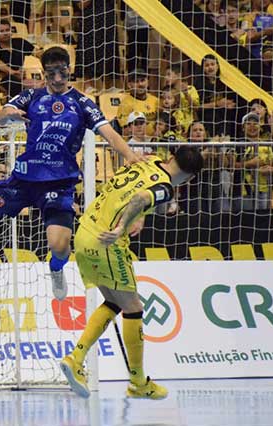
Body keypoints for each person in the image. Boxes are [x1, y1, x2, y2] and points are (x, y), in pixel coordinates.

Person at [0, 46, 144, 300]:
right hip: (24, 179)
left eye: (62, 72)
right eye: (52, 73)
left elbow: (109, 134)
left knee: (60, 246)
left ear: (69, 71)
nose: (57, 79)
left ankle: (56, 269)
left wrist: (131, 156)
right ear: (44, 73)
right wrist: (6, 114)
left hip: (59, 183)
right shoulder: (31, 96)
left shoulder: (82, 103)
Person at [60, 147, 204, 400]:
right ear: (191, 178)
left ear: (171, 157)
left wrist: (138, 217)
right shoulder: (166, 188)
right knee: (133, 307)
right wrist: (122, 226)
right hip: (106, 239)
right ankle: (137, 381)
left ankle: (77, 358)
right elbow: (139, 198)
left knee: (115, 302)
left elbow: (129, 192)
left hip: (84, 231)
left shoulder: (149, 160)